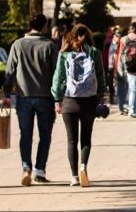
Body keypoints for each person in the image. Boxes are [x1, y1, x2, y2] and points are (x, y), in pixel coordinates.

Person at [3, 14, 59, 186]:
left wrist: (6, 94)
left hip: (23, 97)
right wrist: (59, 97)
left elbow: (9, 71)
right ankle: (39, 170)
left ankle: (25, 167)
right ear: (44, 27)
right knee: (45, 135)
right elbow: (57, 73)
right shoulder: (49, 45)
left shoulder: (18, 44)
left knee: (25, 134)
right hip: (45, 97)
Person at [51, 23, 103, 187]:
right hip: (89, 100)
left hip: (69, 101)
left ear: (71, 36)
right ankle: (83, 167)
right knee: (86, 139)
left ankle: (73, 176)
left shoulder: (64, 54)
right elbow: (101, 78)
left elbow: (58, 78)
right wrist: (101, 97)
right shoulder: (94, 53)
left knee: (71, 141)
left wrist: (57, 99)